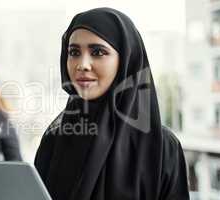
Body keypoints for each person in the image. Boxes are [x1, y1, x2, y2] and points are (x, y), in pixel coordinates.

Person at [34, 8, 190, 200]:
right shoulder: (56, 138)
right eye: (73, 52)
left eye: (98, 52)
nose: (82, 64)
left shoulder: (162, 147)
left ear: (125, 60)